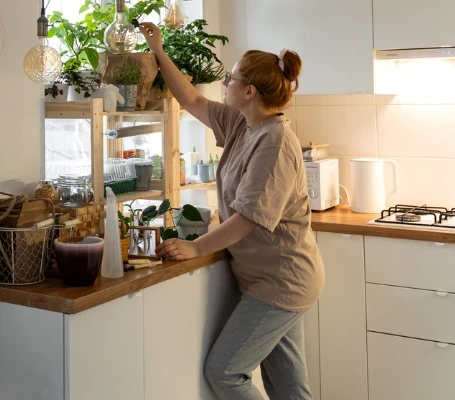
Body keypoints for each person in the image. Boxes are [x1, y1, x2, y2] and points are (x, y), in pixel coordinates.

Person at [138, 22, 324, 400]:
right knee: (289, 389)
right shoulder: (243, 123)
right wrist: (157, 50)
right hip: (271, 279)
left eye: (231, 78)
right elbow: (191, 100)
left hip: (282, 280)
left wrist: (195, 247)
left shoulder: (274, 142)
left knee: (224, 372)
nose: (226, 83)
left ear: (249, 91)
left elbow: (249, 218)